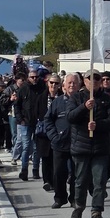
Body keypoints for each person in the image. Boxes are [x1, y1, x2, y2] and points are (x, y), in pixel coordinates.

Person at [67, 70, 110, 218]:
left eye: (98, 79)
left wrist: (99, 125)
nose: (95, 81)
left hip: (100, 148)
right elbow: (70, 117)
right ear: (85, 81)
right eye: (91, 78)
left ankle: (96, 212)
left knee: (99, 182)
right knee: (80, 180)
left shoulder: (107, 100)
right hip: (81, 146)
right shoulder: (76, 97)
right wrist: (84, 107)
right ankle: (79, 205)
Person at [43, 73, 77, 210]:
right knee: (58, 173)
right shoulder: (57, 102)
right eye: (69, 83)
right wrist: (54, 136)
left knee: (76, 174)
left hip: (77, 144)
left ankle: (74, 199)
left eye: (74, 83)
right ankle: (60, 198)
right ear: (64, 85)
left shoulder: (84, 101)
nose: (72, 85)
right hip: (59, 144)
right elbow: (48, 120)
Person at [16, 66, 51, 183]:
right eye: (32, 77)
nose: (34, 79)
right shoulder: (23, 89)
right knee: (26, 146)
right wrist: (20, 119)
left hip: (39, 122)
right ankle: (24, 170)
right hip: (26, 122)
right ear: (28, 78)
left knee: (37, 147)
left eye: (36, 77)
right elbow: (17, 105)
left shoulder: (43, 88)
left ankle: (35, 169)